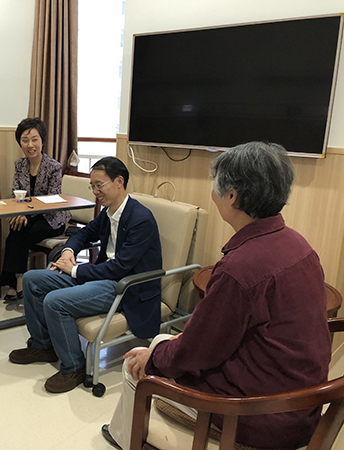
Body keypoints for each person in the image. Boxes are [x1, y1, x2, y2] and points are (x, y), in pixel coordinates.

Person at [102, 142, 332, 450]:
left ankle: (125, 440)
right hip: (303, 404)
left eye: (215, 184)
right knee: (162, 342)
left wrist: (153, 358)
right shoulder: (300, 245)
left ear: (231, 196)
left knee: (137, 364)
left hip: (258, 415)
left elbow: (197, 352)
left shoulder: (240, 269)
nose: (212, 191)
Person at [9, 156, 163, 393]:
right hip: (103, 276)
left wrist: (75, 270)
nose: (95, 192)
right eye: (92, 186)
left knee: (55, 302)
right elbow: (83, 234)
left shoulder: (140, 219)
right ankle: (43, 345)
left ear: (119, 182)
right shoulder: (109, 212)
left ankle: (74, 367)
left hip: (124, 286)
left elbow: (119, 268)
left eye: (99, 185)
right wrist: (69, 251)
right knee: (32, 280)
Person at [0, 118, 70, 301]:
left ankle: (15, 282)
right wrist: (18, 213)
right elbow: (15, 193)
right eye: (25, 140)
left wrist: (25, 213)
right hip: (29, 217)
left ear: (42, 141)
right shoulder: (20, 165)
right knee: (17, 230)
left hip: (52, 219)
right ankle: (19, 279)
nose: (30, 145)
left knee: (19, 232)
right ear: (20, 143)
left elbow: (51, 200)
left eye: (34, 139)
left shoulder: (54, 167)